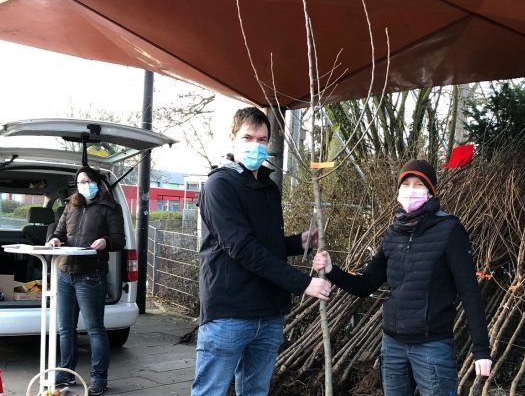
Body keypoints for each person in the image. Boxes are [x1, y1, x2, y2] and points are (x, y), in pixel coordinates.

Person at [312, 159, 492, 395]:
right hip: (393, 345)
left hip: (432, 345)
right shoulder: (393, 233)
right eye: (406, 184)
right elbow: (365, 285)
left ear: (430, 192)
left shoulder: (449, 230)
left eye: (419, 185)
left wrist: (481, 350)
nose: (411, 190)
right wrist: (332, 270)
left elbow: (469, 291)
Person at [192, 107, 333, 396]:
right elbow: (242, 248)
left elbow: (266, 243)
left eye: (262, 139)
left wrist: (299, 242)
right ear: (233, 139)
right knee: (211, 391)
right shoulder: (219, 185)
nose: (256, 145)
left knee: (256, 391)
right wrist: (304, 283)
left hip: (268, 312)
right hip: (229, 313)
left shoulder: (268, 187)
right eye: (248, 137)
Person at [47, 166, 125, 396]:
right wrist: (53, 240)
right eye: (80, 182)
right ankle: (65, 372)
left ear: (97, 183)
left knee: (94, 329)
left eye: (88, 181)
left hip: (91, 275)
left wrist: (105, 242)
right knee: (65, 328)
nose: (84, 185)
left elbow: (119, 240)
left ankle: (99, 378)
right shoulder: (70, 205)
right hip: (64, 272)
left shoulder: (110, 207)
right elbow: (59, 232)